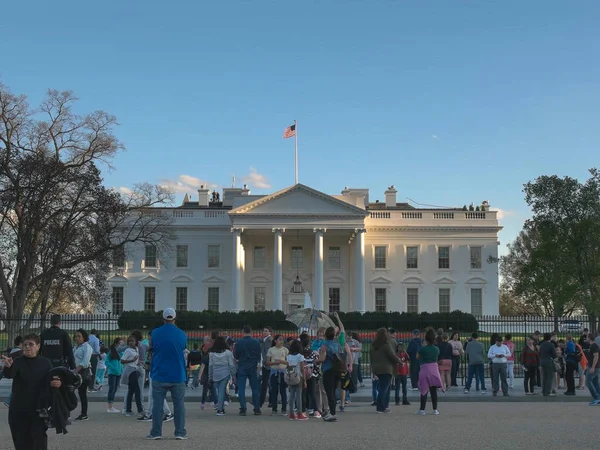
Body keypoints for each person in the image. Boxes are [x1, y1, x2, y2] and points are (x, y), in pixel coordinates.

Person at [2, 333, 63, 450]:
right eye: (25, 344)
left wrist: (58, 383)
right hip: (18, 409)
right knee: (20, 441)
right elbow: (8, 375)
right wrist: (8, 366)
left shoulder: (45, 363)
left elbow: (53, 380)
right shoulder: (18, 361)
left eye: (31, 344)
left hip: (38, 408)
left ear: (38, 346)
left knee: (39, 440)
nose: (27, 347)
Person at [146, 308, 188, 441]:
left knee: (157, 405)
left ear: (163, 319)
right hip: (178, 373)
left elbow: (151, 349)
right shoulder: (182, 334)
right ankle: (180, 432)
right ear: (174, 318)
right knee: (179, 405)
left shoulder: (155, 333)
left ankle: (156, 432)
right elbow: (183, 347)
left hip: (159, 372)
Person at [233, 325, 262, 416]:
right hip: (253, 367)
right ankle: (257, 408)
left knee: (241, 389)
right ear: (251, 332)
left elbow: (236, 356)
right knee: (255, 389)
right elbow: (259, 355)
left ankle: (243, 408)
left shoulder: (239, 343)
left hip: (242, 366)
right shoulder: (256, 342)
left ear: (243, 332)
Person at [370, 328, 401, 414]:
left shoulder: (373, 345)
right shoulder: (386, 345)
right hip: (386, 369)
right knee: (384, 389)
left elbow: (371, 358)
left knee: (381, 388)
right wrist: (399, 361)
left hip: (377, 369)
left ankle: (382, 406)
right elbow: (392, 355)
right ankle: (381, 407)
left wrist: (374, 370)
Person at [416, 328, 443, 415]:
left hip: (424, 369)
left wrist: (423, 346)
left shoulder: (422, 349)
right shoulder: (437, 349)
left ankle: (422, 409)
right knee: (433, 390)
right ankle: (435, 409)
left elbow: (417, 357)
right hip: (434, 369)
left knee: (424, 390)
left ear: (426, 338)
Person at [209, 336, 236, 416]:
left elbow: (210, 366)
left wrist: (210, 376)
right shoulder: (228, 353)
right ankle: (220, 409)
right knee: (222, 391)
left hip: (215, 374)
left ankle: (220, 408)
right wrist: (233, 374)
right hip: (225, 373)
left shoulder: (211, 354)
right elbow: (231, 365)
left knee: (219, 391)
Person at [266, 334, 289, 416]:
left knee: (283, 391)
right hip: (274, 372)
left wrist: (282, 362)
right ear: (275, 341)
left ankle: (284, 409)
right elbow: (267, 362)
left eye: (282, 340)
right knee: (274, 391)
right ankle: (274, 409)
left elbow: (288, 361)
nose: (281, 341)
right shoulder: (271, 350)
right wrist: (275, 362)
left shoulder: (285, 350)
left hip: (283, 372)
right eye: (279, 339)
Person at [73, 328, 93, 421]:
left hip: (82, 372)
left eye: (79, 336)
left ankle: (84, 413)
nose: (77, 338)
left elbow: (85, 361)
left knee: (82, 393)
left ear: (84, 337)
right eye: (76, 336)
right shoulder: (76, 347)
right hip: (74, 371)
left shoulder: (87, 347)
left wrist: (76, 370)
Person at [539, 333, 557, 397]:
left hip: (542, 361)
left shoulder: (541, 344)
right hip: (549, 361)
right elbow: (554, 355)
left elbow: (539, 353)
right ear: (550, 338)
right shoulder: (551, 345)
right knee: (549, 377)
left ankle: (544, 391)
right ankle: (548, 392)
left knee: (544, 377)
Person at [259, 327, 273, 408]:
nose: (264, 332)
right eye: (263, 331)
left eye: (266, 331)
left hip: (267, 365)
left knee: (265, 384)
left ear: (270, 332)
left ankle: (261, 401)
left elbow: (268, 352)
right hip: (267, 365)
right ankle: (269, 401)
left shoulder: (268, 340)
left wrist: (264, 361)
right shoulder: (265, 340)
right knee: (267, 384)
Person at [585, 333, 599, 405]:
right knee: (596, 383)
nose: (586, 338)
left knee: (588, 382)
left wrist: (593, 367)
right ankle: (598, 398)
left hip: (594, 367)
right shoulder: (593, 346)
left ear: (589, 338)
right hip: (594, 367)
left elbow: (596, 356)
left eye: (587, 337)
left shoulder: (593, 346)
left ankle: (596, 398)